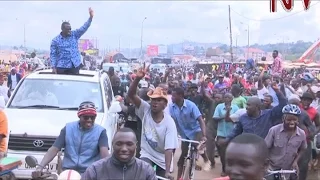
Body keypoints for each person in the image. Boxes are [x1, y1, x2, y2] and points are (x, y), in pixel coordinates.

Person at [32, 101, 109, 177]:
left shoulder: (101, 132)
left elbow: (104, 156)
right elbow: (54, 149)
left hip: (89, 174)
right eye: (85, 117)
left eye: (92, 117)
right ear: (79, 116)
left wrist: (107, 172)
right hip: (67, 173)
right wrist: (40, 167)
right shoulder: (68, 128)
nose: (89, 120)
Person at [127, 65, 178, 180]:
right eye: (153, 100)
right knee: (144, 171)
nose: (155, 103)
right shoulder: (145, 109)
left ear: (165, 104)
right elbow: (131, 95)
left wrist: (167, 170)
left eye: (159, 100)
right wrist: (137, 79)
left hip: (162, 158)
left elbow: (169, 149)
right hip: (147, 154)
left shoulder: (169, 123)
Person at [82, 128, 157, 180]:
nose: (124, 149)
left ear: (136, 146)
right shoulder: (95, 170)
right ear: (112, 145)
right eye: (119, 144)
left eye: (129, 144)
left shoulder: (146, 170)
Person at [170, 87, 210, 179]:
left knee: (198, 146)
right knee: (182, 158)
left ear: (180, 96)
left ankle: (206, 159)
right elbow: (171, 122)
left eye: (174, 96)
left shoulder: (191, 105)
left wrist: (204, 135)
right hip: (184, 134)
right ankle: (179, 178)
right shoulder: (172, 107)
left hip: (196, 131)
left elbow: (200, 120)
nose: (172, 97)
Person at [265, 104, 307, 180]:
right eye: (289, 119)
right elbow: (265, 148)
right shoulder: (274, 130)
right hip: (272, 168)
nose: (292, 122)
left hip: (288, 170)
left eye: (294, 120)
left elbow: (303, 149)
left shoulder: (301, 134)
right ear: (283, 119)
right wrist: (266, 164)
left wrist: (295, 161)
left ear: (298, 120)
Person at [50, 8, 94, 75]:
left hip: (74, 66)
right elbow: (53, 54)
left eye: (70, 29)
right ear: (62, 29)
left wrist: (90, 18)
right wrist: (53, 67)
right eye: (67, 29)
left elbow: (83, 28)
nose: (69, 31)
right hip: (62, 67)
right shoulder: (55, 41)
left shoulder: (74, 35)